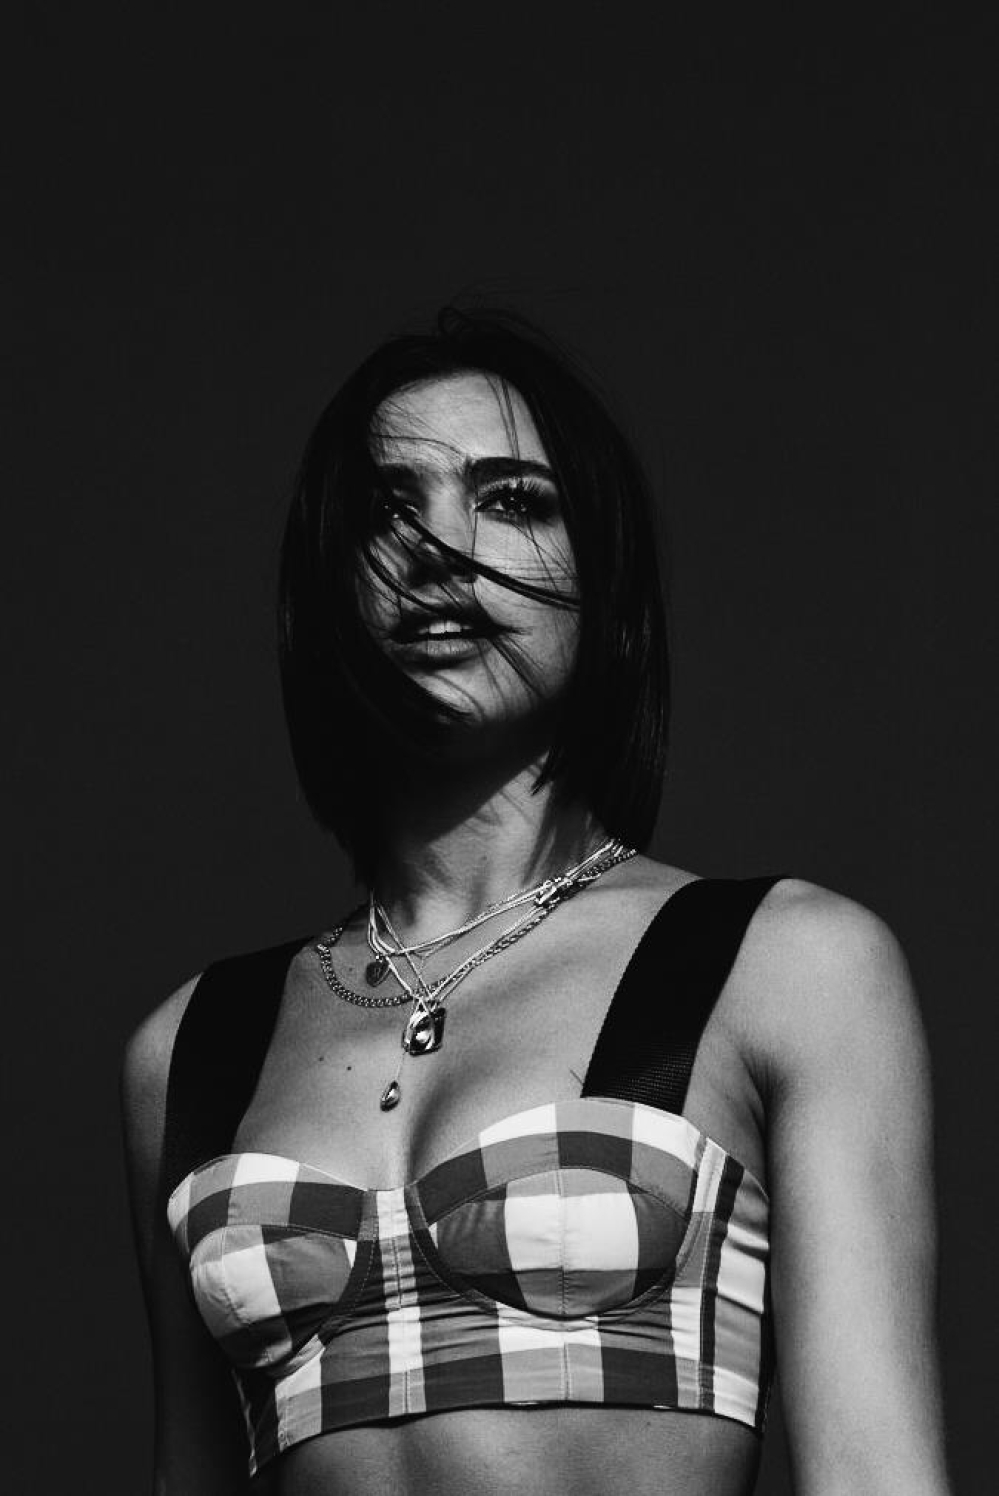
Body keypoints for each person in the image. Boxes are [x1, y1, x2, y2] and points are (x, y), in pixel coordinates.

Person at [121, 308, 951, 1496]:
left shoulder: (785, 966)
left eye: (512, 499)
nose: (440, 548)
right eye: (388, 507)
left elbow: (876, 1472)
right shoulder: (189, 1049)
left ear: (605, 580)